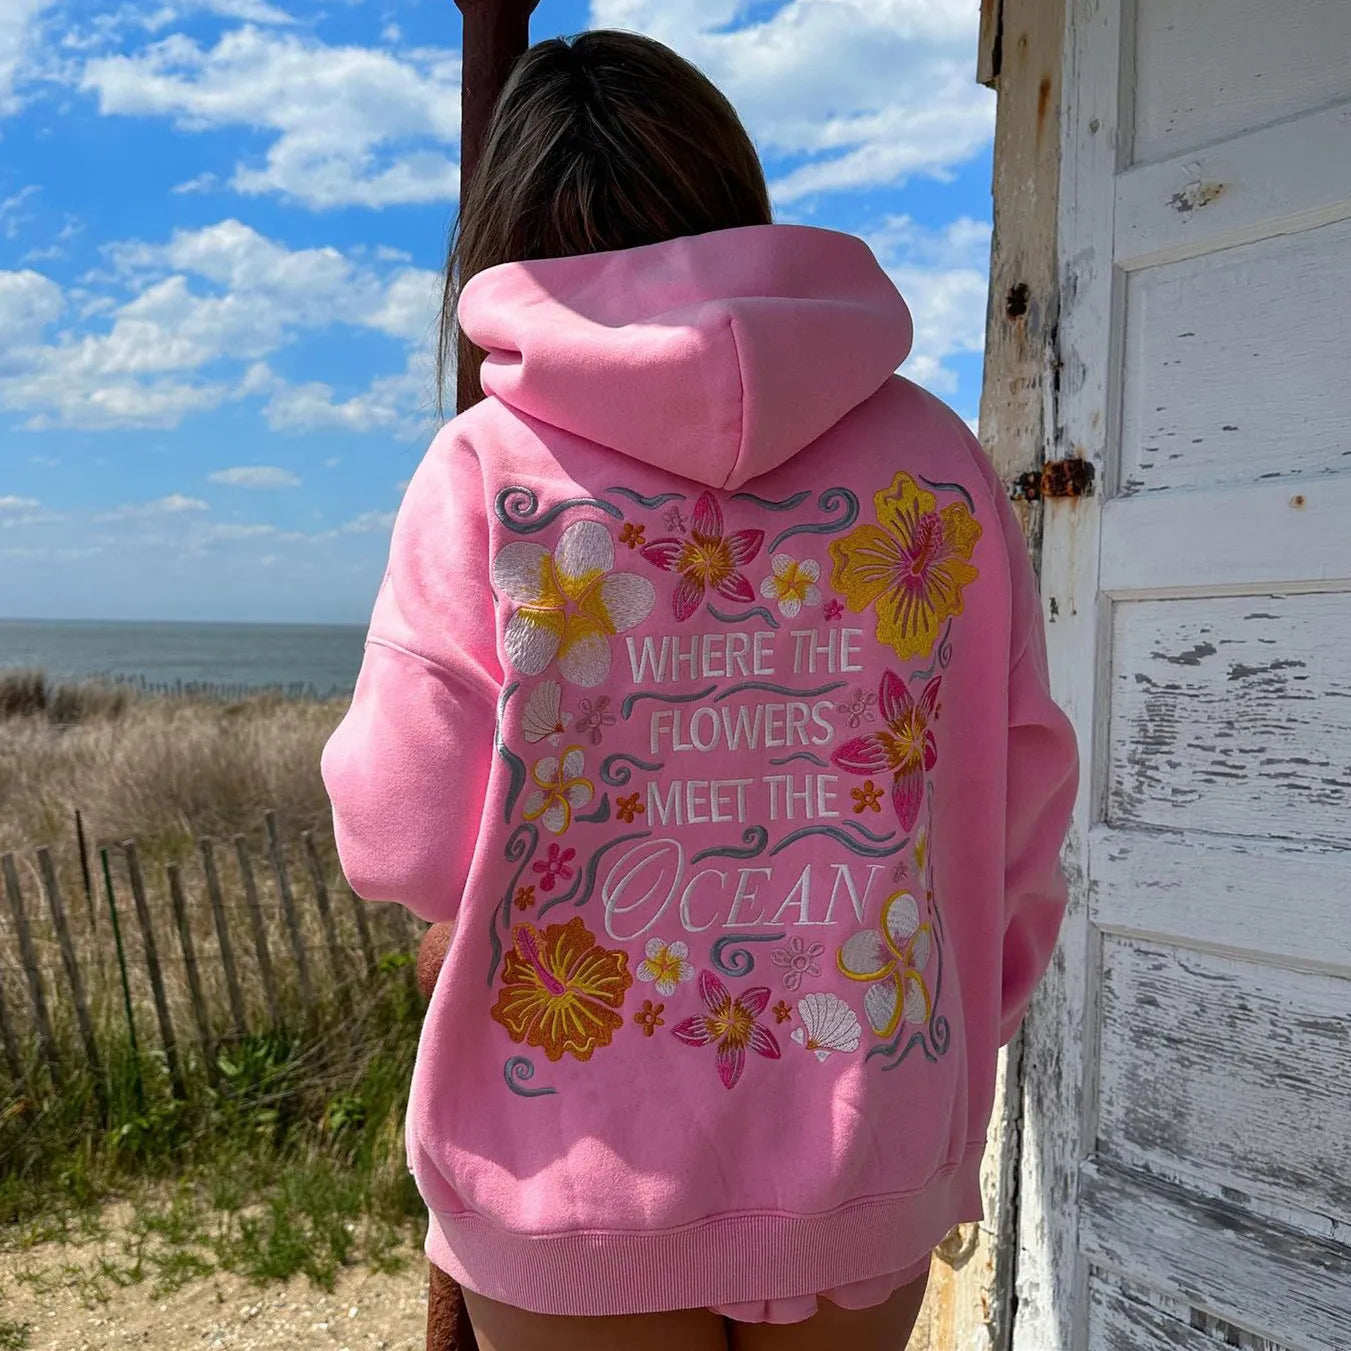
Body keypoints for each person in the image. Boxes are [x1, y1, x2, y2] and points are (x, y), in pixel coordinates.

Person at [322, 29, 1078, 1351]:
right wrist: (953, 1041)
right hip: (874, 1135)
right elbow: (1022, 803)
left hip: (563, 1163)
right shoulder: (935, 466)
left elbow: (393, 836)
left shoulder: (487, 470)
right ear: (735, 198)